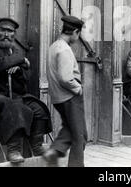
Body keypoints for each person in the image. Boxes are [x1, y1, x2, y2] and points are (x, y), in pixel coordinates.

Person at [0, 18, 52, 164]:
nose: (6, 34)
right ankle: (13, 150)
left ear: (14, 35)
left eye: (10, 31)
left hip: (17, 96)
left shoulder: (16, 52)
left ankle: (37, 145)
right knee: (15, 107)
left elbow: (26, 77)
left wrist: (19, 69)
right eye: (3, 30)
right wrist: (21, 60)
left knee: (39, 108)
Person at [43, 16, 87, 167]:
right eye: (79, 34)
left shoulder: (54, 46)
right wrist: (78, 88)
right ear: (75, 32)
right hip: (70, 97)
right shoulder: (64, 49)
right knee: (79, 136)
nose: (78, 37)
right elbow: (65, 78)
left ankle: (54, 152)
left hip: (58, 97)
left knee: (70, 129)